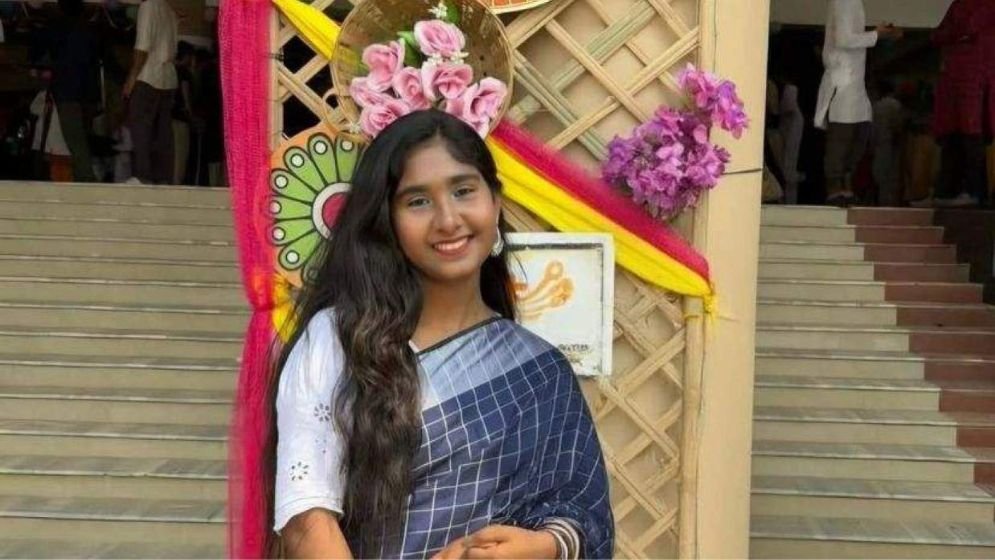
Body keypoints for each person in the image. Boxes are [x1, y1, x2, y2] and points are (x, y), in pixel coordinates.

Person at [265, 110, 614, 559]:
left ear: (495, 202)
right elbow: (305, 520)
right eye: (417, 201)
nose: (448, 219)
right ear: (386, 221)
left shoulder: (540, 372)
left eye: (463, 191)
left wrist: (545, 546)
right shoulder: (338, 340)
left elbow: (584, 516)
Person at [815, 0, 902, 206]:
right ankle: (835, 189)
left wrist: (878, 34)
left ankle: (846, 187)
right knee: (841, 138)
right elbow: (844, 39)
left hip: (855, 85)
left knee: (859, 137)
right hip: (843, 82)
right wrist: (876, 35)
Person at [931, 0, 995, 207]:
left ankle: (974, 191)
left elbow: (968, 27)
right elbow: (938, 35)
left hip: (974, 77)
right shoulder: (960, 3)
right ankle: (947, 191)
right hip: (955, 77)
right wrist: (957, 35)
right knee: (952, 134)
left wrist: (953, 35)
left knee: (971, 133)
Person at [123, 0, 178, 184]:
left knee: (141, 129)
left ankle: (142, 175)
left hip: (148, 77)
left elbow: (142, 47)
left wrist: (132, 77)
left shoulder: (148, 6)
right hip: (168, 77)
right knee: (163, 134)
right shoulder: (169, 10)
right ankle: (164, 177)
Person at [871, 80, 905, 206]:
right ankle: (890, 202)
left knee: (880, 175)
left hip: (879, 144)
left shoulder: (876, 106)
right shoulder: (894, 105)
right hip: (891, 144)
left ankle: (882, 201)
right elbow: (898, 126)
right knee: (892, 176)